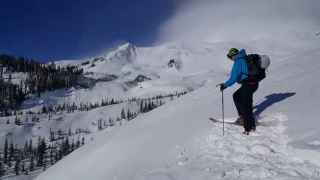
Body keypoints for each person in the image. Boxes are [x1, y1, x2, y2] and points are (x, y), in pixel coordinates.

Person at [217, 48, 259, 135]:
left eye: (230, 57)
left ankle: (249, 127)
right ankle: (243, 117)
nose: (231, 59)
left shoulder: (238, 61)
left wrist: (225, 86)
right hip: (253, 84)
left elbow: (234, 78)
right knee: (236, 96)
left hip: (248, 85)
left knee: (246, 105)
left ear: (233, 55)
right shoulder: (245, 58)